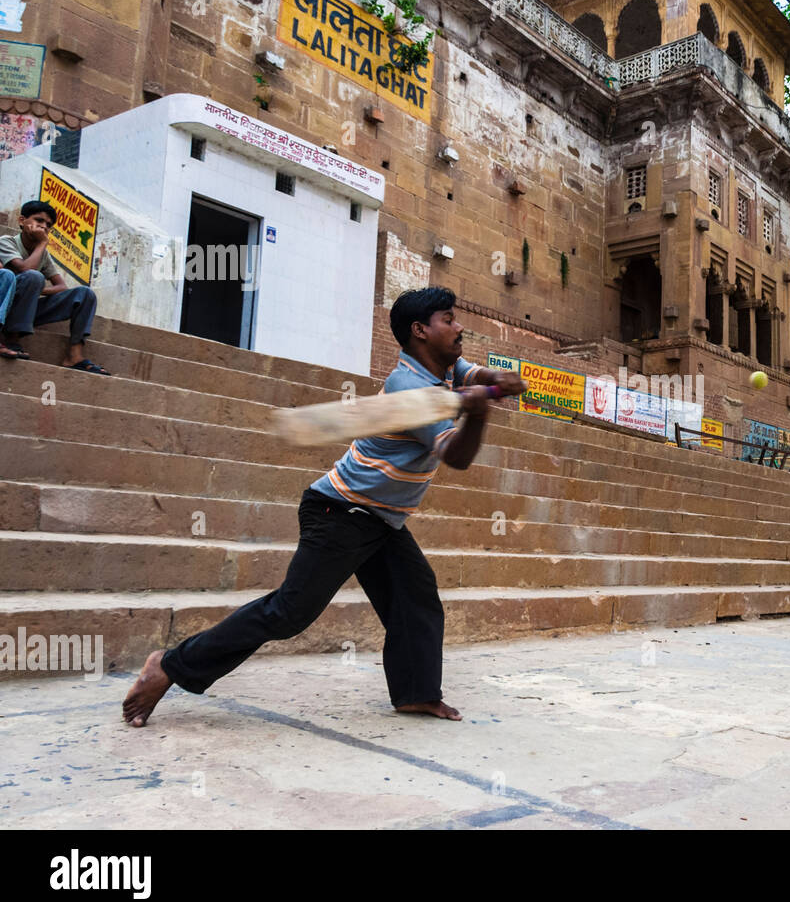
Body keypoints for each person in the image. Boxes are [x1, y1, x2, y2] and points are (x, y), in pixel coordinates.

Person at [122, 286, 528, 726]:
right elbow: (458, 457)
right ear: (420, 331)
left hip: (381, 519)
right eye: (449, 319)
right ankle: (169, 665)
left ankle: (416, 693)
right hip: (341, 512)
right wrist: (480, 414)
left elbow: (475, 375)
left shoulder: (446, 366)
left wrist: (495, 380)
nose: (459, 326)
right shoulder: (408, 388)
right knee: (289, 613)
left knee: (416, 598)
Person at [0, 200, 111, 372]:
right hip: (7, 309)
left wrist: (38, 289)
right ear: (22, 221)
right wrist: (43, 244)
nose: (44, 227)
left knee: (85, 294)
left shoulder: (42, 254)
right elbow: (24, 269)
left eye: (48, 225)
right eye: (39, 221)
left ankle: (74, 355)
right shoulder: (8, 241)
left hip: (28, 309)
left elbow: (61, 286)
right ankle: (12, 339)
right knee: (33, 276)